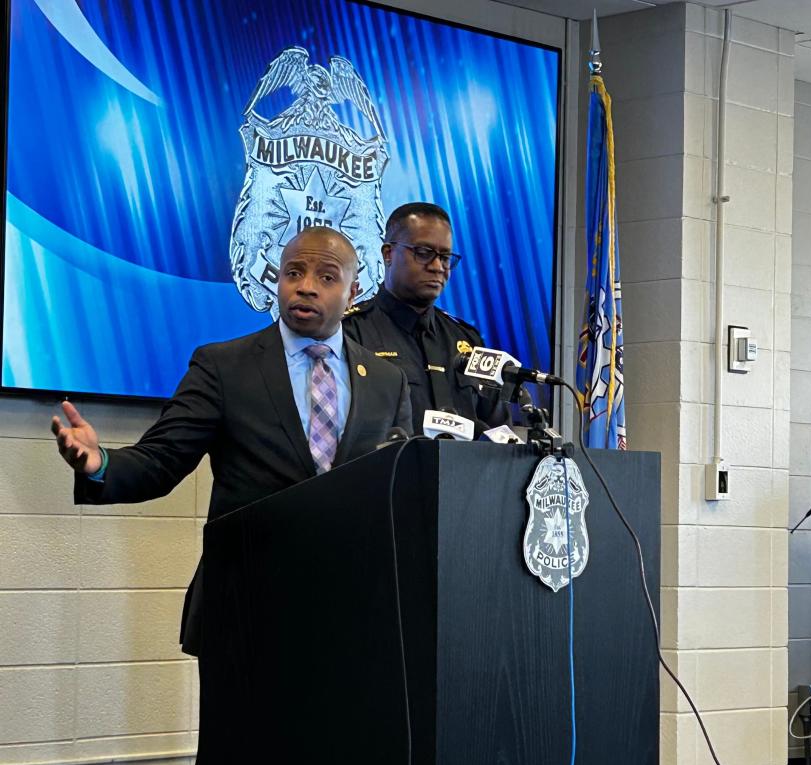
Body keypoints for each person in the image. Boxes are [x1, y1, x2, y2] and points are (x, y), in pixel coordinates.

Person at [51, 226, 412, 655]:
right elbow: (161, 459)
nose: (306, 287)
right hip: (245, 608)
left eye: (326, 277)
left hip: (351, 615)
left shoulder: (388, 381)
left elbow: (400, 489)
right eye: (293, 273)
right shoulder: (223, 366)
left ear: (353, 293)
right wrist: (101, 464)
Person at [343, 202, 507, 431]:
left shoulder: (468, 341)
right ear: (388, 253)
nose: (438, 266)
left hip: (464, 467)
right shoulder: (351, 333)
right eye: (424, 253)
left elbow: (498, 431)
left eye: (445, 257)